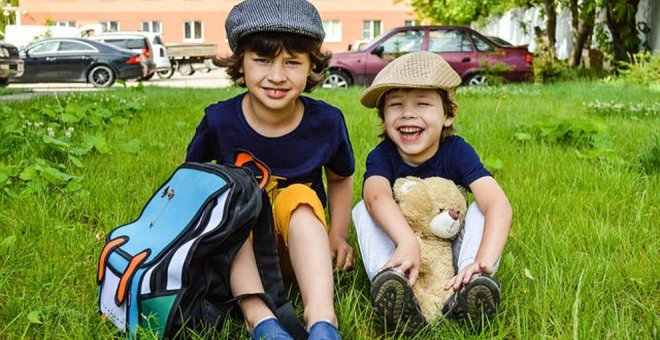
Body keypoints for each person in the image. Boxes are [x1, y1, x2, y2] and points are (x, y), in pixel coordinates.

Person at [185, 1, 355, 339]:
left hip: (302, 252)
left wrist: (338, 234)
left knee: (300, 196)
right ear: (241, 64)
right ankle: (259, 320)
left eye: (292, 62)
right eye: (262, 60)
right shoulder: (219, 121)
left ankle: (322, 318)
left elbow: (340, 178)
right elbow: (191, 183)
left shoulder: (327, 122)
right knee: (236, 205)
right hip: (238, 255)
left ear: (311, 67)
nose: (276, 76)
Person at [351, 51, 512, 331]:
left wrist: (483, 260)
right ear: (383, 116)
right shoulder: (383, 155)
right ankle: (392, 283)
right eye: (396, 105)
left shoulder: (457, 151)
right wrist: (406, 242)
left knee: (480, 208)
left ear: (448, 114)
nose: (408, 114)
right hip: (404, 249)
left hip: (449, 250)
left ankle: (470, 284)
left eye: (423, 103)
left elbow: (498, 205)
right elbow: (375, 195)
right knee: (363, 209)